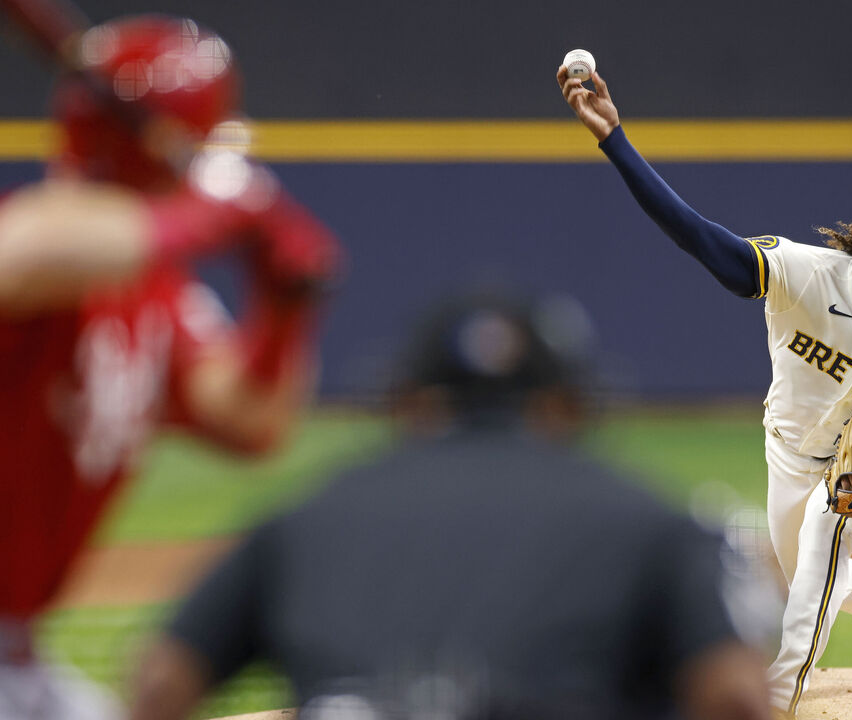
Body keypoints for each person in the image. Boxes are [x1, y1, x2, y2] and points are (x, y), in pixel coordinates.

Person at [128, 290, 774, 720]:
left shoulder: (306, 514)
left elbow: (159, 684)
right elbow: (735, 695)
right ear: (566, 407)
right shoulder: (649, 518)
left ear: (410, 403)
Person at [556, 65, 852, 717]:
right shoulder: (806, 276)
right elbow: (702, 239)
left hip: (841, 477)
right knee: (826, 578)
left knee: (822, 546)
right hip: (784, 455)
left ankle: (781, 697)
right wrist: (616, 141)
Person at [0, 15, 339, 719]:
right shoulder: (38, 239)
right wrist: (205, 216)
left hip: (18, 659)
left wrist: (283, 308)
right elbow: (25, 252)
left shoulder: (152, 295)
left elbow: (253, 426)